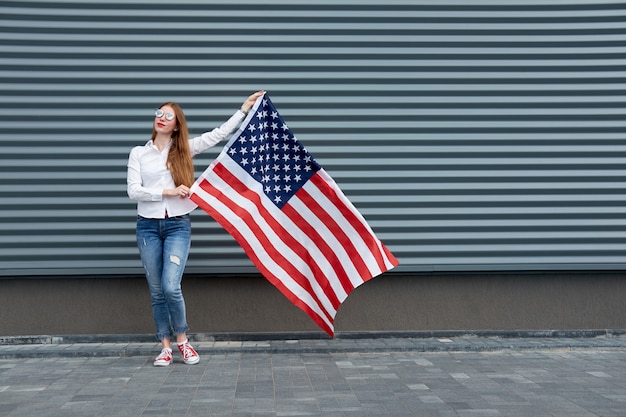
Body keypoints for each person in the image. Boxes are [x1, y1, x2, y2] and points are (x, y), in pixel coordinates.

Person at [127, 90, 265, 366]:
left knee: (170, 286)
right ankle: (164, 346)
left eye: (169, 116)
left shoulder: (184, 149)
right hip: (148, 228)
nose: (161, 118)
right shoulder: (139, 153)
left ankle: (183, 341)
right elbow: (133, 191)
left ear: (177, 124)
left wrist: (243, 110)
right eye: (159, 113)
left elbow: (217, 135)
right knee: (156, 290)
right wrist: (167, 192)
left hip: (177, 226)